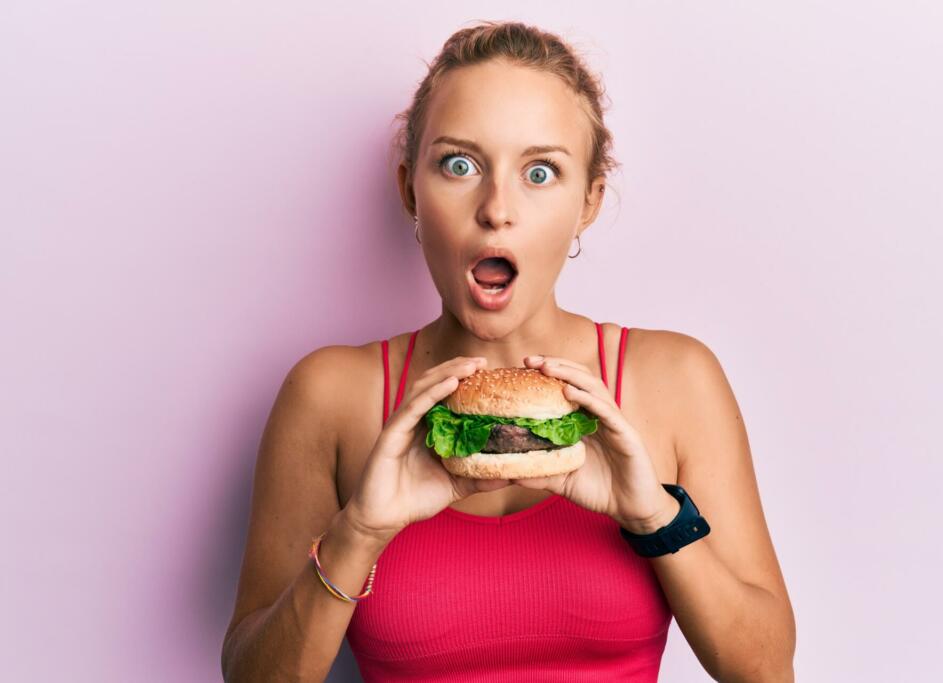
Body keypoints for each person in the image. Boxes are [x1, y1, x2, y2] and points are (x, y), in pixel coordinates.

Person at [221, 20, 795, 683]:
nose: (497, 209)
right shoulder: (330, 395)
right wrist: (359, 534)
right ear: (410, 189)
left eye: (541, 171)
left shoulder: (673, 381)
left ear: (588, 202)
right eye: (458, 165)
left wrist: (653, 516)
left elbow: (767, 670)